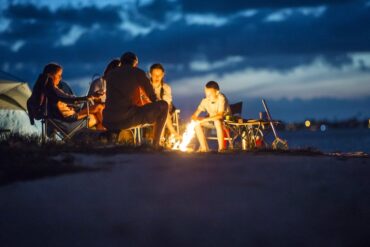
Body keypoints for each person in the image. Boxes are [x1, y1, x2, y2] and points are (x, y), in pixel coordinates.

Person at [103, 52, 168, 147]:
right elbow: (153, 97)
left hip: (108, 119)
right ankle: (156, 144)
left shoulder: (111, 74)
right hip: (125, 118)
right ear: (135, 64)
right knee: (163, 106)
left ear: (121, 62)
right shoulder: (138, 73)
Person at [42, 63, 105, 130]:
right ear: (50, 76)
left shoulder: (45, 89)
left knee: (97, 115)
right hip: (70, 118)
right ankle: (109, 134)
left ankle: (104, 137)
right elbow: (70, 99)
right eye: (59, 75)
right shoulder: (53, 90)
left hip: (63, 117)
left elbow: (65, 101)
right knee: (99, 107)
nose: (61, 78)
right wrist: (90, 97)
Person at [191, 81, 231, 152]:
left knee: (217, 122)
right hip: (212, 121)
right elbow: (195, 114)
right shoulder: (205, 100)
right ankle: (204, 148)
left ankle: (221, 149)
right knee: (196, 123)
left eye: (210, 94)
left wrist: (203, 120)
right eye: (206, 93)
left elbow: (220, 116)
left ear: (217, 92)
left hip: (225, 122)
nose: (207, 96)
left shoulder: (221, 98)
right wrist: (195, 118)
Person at [149, 63, 180, 139]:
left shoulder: (166, 88)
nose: (157, 77)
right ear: (150, 74)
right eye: (154, 75)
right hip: (149, 112)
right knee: (163, 112)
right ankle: (173, 133)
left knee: (163, 111)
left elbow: (167, 102)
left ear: (163, 75)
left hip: (163, 111)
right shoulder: (147, 86)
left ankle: (160, 140)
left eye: (159, 75)